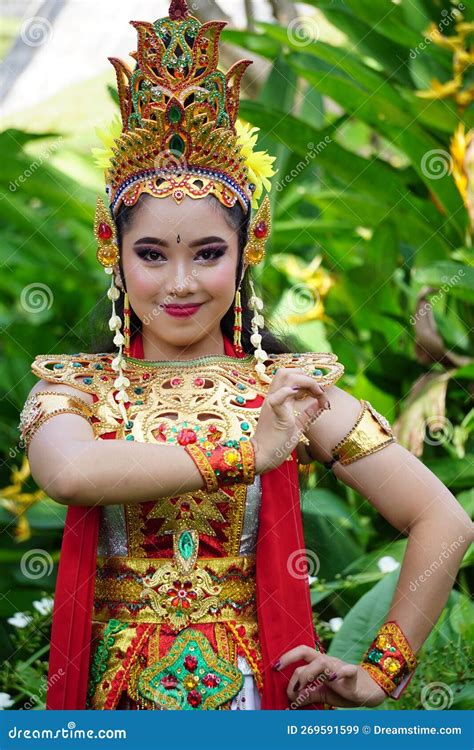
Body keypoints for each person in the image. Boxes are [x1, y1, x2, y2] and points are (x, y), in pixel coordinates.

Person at [19, 0, 472, 712]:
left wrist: (380, 670)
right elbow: (72, 472)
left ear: (246, 250)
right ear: (115, 252)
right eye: (150, 254)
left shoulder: (289, 393)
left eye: (207, 253)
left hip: (253, 700)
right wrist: (245, 454)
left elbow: (445, 520)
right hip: (116, 708)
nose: (179, 282)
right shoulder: (76, 389)